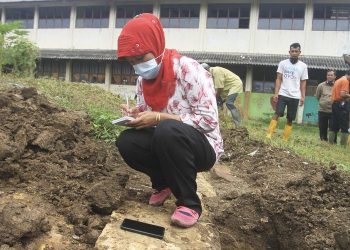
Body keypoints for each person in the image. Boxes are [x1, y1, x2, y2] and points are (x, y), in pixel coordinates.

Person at [115, 13, 223, 228]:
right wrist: (137, 115)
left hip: (202, 146)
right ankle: (163, 183)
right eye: (132, 62)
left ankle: (189, 203)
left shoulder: (189, 70)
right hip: (167, 140)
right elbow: (150, 112)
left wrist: (160, 118)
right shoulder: (143, 79)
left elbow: (209, 121)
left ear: (156, 46)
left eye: (141, 58)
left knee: (167, 129)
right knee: (127, 141)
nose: (137, 66)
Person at [266, 42, 308, 141]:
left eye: (296, 51)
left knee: (290, 118)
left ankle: (285, 138)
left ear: (299, 52)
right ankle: (269, 134)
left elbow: (303, 82)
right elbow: (278, 78)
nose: (294, 53)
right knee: (277, 113)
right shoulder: (283, 63)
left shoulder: (303, 66)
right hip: (283, 93)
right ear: (289, 52)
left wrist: (303, 96)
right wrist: (276, 93)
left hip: (295, 96)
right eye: (292, 51)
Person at [328, 70, 350, 147]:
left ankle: (330, 143)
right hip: (342, 104)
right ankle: (343, 145)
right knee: (344, 126)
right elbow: (343, 94)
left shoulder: (338, 80)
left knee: (333, 124)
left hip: (335, 104)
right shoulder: (345, 81)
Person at [315, 69, 336, 141]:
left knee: (333, 127)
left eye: (331, 75)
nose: (329, 76)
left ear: (335, 76)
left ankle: (333, 141)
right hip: (322, 110)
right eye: (328, 75)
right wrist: (323, 102)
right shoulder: (321, 85)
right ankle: (323, 140)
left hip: (333, 110)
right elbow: (318, 96)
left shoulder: (337, 85)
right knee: (322, 127)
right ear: (326, 76)